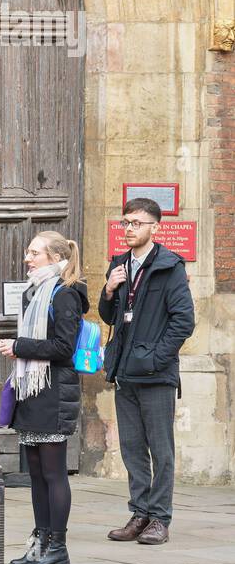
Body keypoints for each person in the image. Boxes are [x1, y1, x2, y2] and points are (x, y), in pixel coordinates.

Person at [100, 198, 195, 546]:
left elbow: (184, 321)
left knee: (161, 448)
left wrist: (156, 358)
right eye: (126, 222)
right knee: (131, 447)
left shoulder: (169, 267)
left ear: (155, 227)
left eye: (137, 223)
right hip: (125, 372)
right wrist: (109, 289)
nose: (129, 229)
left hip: (156, 375)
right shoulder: (120, 264)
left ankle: (160, 518)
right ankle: (139, 513)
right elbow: (110, 316)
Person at [0, 232, 88, 564]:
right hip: (33, 394)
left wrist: (20, 347)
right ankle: (41, 544)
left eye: (34, 253)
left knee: (53, 473)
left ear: (54, 257)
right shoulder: (36, 292)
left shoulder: (65, 294)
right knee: (35, 474)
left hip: (54, 394)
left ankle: (58, 550)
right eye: (28, 251)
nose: (27, 258)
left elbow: (64, 348)